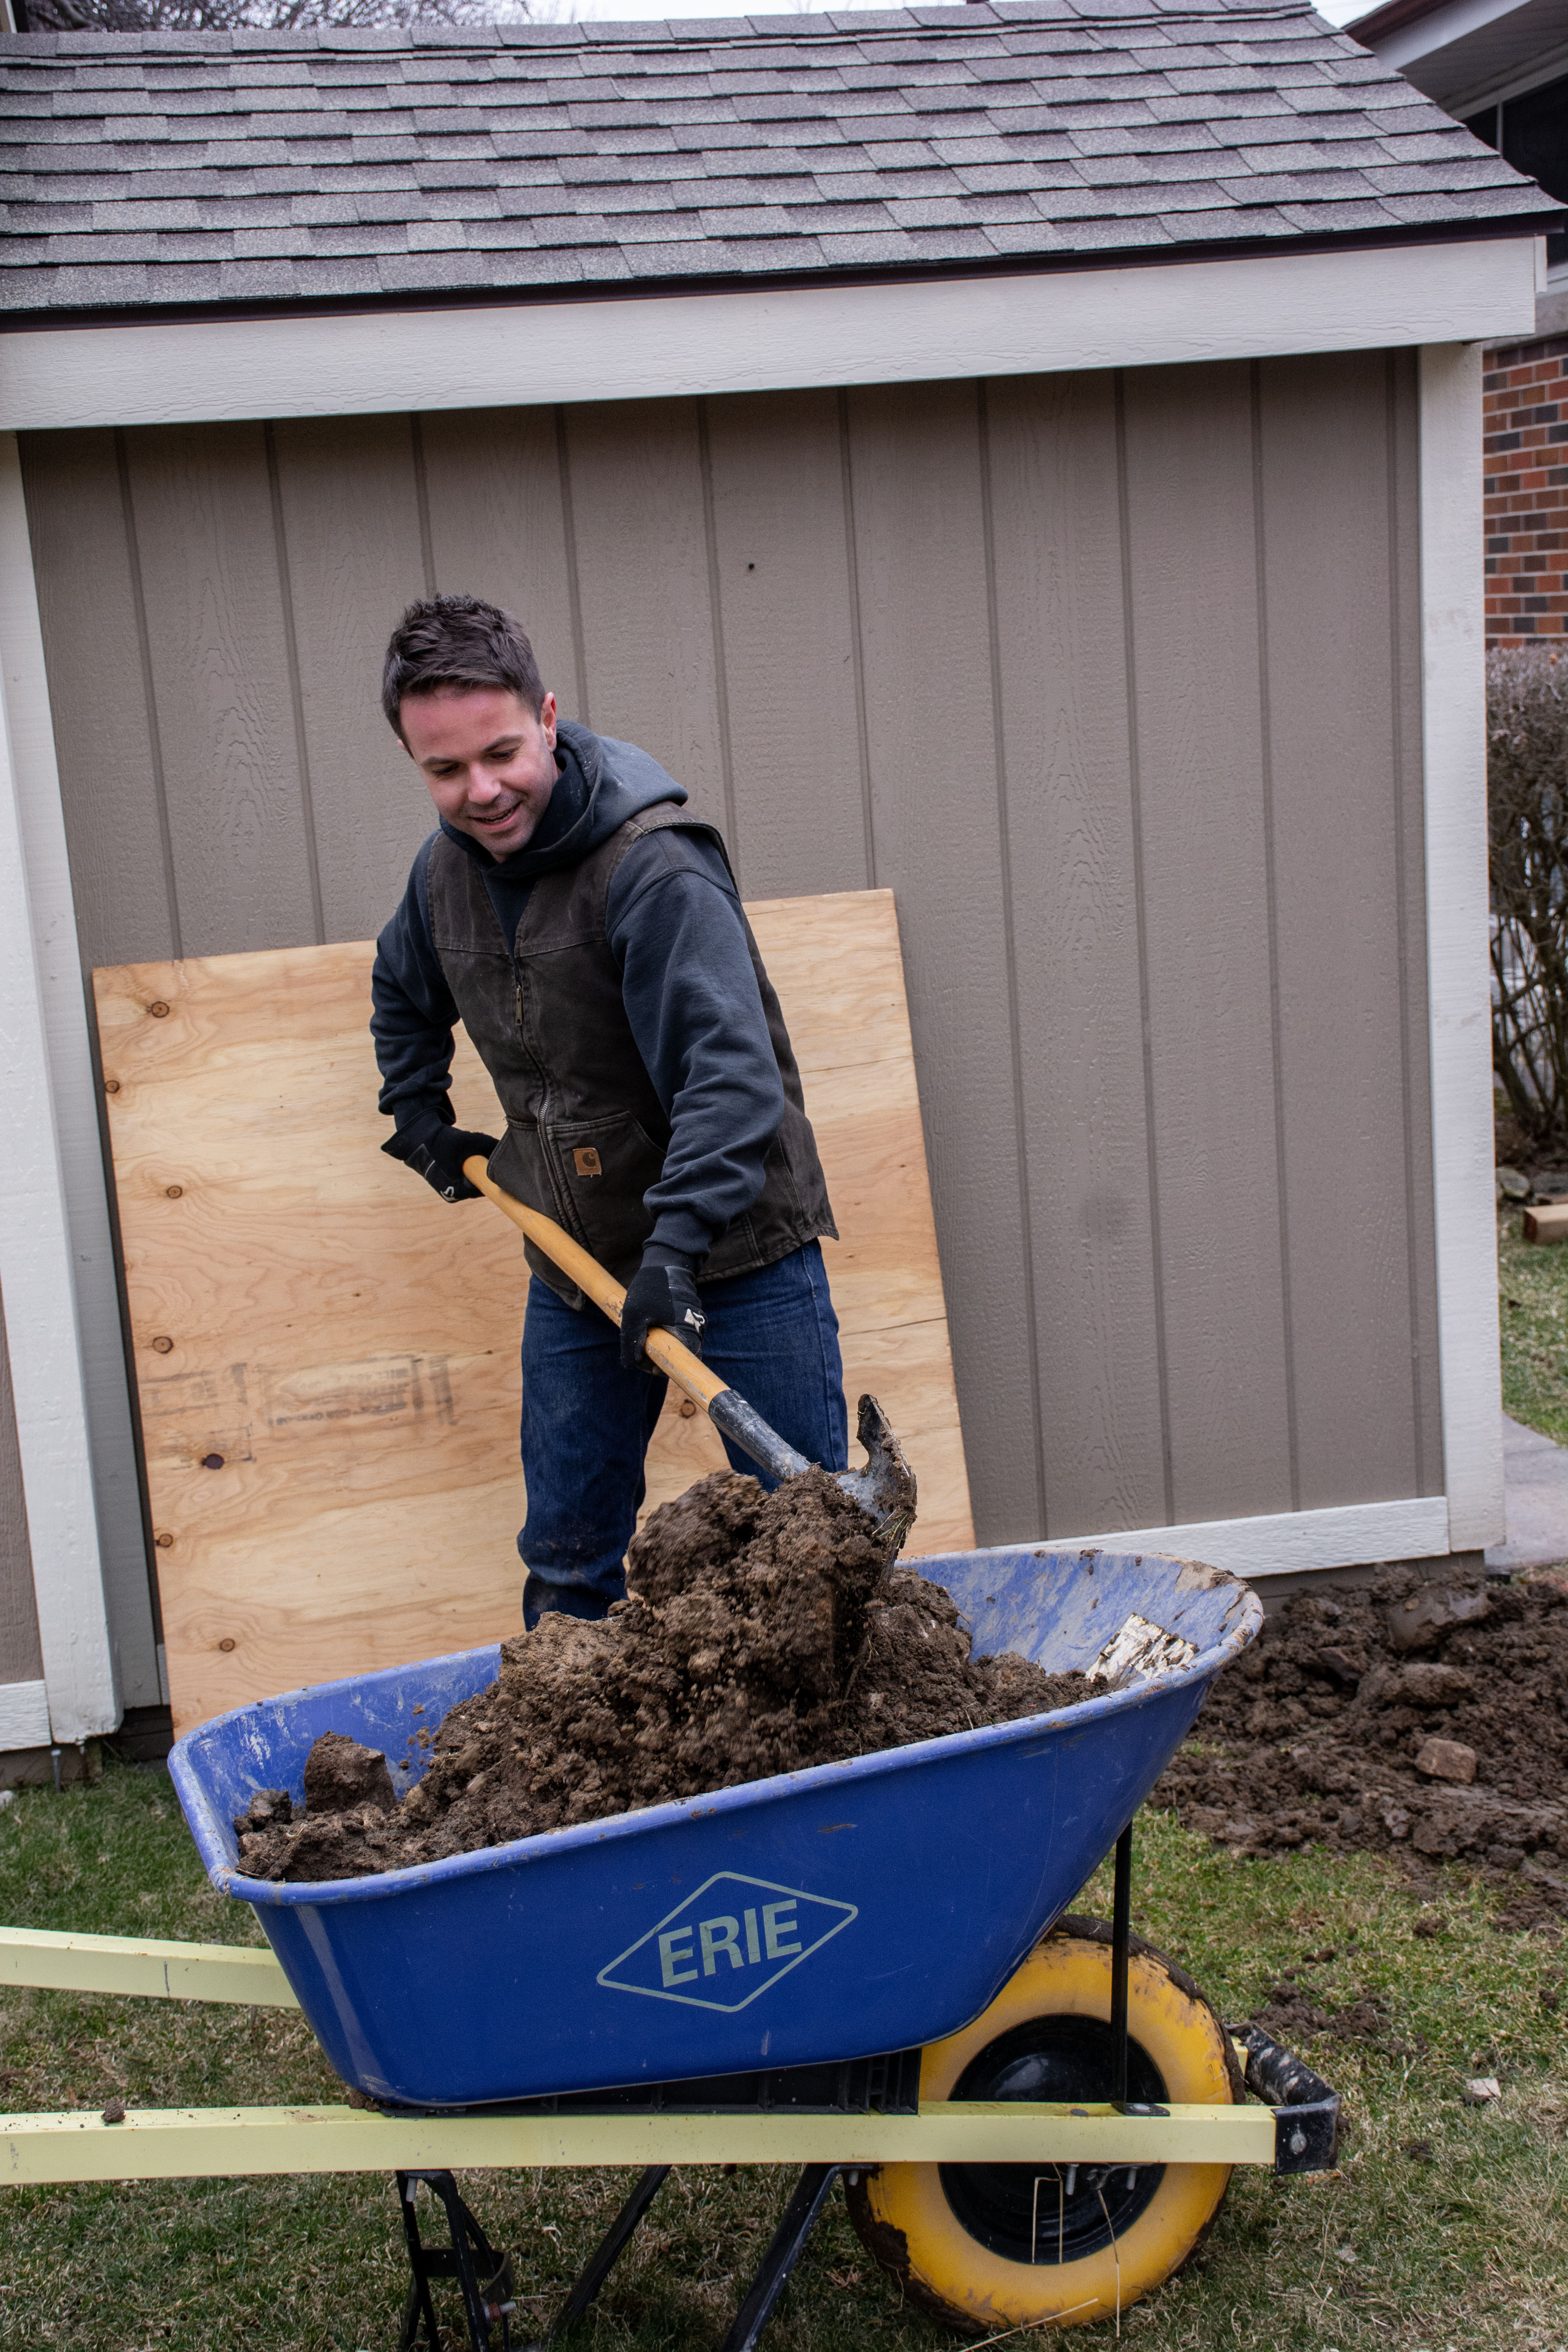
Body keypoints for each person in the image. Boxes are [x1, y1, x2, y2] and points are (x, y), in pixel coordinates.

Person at [370, 595, 847, 1627]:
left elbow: (731, 1078)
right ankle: (572, 1727)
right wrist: (416, 1107)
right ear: (415, 760)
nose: (481, 791)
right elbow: (403, 989)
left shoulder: (653, 867)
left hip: (737, 1247)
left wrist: (678, 1248)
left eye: (502, 753)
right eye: (446, 770)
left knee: (808, 1549)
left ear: (547, 718)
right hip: (577, 1256)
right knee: (566, 1560)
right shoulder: (443, 874)